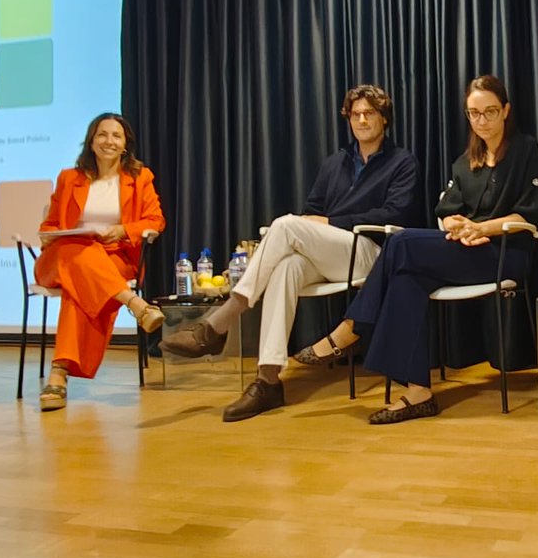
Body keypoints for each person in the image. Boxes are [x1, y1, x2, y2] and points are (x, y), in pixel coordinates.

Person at [158, 84, 420, 422]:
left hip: (373, 254)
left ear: (384, 118)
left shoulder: (401, 162)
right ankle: (268, 380)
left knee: (285, 225)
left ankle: (220, 321)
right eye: (355, 114)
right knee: (285, 268)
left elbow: (395, 214)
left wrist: (331, 221)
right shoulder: (336, 163)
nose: (362, 120)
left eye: (369, 113)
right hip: (328, 253)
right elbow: (312, 209)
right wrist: (319, 223)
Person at [299, 74, 538, 425]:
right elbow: (445, 211)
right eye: (474, 114)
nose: (482, 121)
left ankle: (353, 326)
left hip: (506, 252)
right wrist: (457, 227)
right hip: (465, 249)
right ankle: (418, 392)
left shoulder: (525, 150)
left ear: (505, 111)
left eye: (490, 112)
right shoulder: (465, 162)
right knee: (406, 279)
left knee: (400, 241)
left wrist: (482, 228)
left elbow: (533, 212)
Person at [34, 113, 166, 412]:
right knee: (75, 250)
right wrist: (50, 235)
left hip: (113, 260)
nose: (109, 141)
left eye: (116, 136)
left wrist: (122, 230)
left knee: (76, 289)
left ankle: (59, 373)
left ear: (125, 144)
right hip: (61, 258)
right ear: (91, 141)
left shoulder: (139, 177)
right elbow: (52, 224)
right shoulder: (69, 178)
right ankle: (135, 304)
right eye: (102, 135)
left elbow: (156, 221)